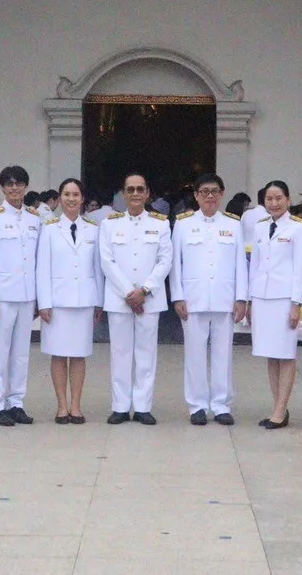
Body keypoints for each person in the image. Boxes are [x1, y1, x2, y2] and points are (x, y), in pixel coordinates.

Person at [168, 172, 245, 427]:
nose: (210, 196)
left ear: (222, 194)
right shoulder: (183, 224)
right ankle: (197, 405)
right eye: (204, 192)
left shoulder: (234, 224)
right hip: (193, 299)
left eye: (214, 191)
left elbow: (239, 265)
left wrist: (241, 297)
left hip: (225, 298)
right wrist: (177, 295)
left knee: (223, 354)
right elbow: (175, 264)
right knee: (194, 354)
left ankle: (221, 405)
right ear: (196, 195)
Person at [100, 173, 172, 425]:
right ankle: (120, 406)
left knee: (146, 353)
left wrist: (144, 291)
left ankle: (142, 406)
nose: (135, 194)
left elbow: (165, 261)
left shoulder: (161, 224)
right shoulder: (110, 224)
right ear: (123, 193)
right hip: (119, 299)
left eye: (140, 189)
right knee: (120, 353)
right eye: (130, 189)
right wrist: (128, 293)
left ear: (148, 193)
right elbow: (106, 261)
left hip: (149, 299)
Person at [244, 179, 302, 429]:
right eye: (269, 199)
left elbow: (300, 268)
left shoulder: (297, 228)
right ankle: (278, 408)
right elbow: (255, 265)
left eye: (278, 198)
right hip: (262, 297)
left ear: (288, 200)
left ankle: (280, 410)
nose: (274, 203)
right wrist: (250, 299)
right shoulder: (261, 227)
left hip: (284, 298)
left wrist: (296, 303)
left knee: (285, 354)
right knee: (271, 355)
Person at [0, 165, 42, 426]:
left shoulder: (34, 218)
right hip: (3, 295)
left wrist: (40, 298)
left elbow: (39, 260)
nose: (15, 188)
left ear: (26, 187)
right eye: (9, 184)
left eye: (19, 183)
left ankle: (16, 402)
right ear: (3, 188)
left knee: (21, 353)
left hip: (27, 296)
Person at [37, 177, 102, 424]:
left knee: (78, 355)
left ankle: (76, 405)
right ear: (60, 198)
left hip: (84, 300)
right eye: (66, 194)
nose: (71, 199)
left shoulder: (94, 229)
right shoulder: (49, 228)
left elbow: (98, 268)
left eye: (76, 194)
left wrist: (100, 301)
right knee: (57, 354)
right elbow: (42, 268)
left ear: (82, 198)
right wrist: (44, 302)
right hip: (57, 301)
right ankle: (61, 406)